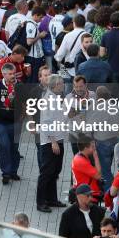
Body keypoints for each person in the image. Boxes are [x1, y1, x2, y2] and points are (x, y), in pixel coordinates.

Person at [36, 74, 67, 213]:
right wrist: (53, 141)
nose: (63, 85)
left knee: (55, 171)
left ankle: (52, 199)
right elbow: (47, 122)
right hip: (50, 141)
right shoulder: (49, 99)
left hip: (58, 139)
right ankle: (41, 202)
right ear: (55, 86)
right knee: (46, 172)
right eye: (61, 83)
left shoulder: (56, 97)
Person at [55, 14, 87, 80]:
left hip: (71, 70)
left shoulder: (68, 36)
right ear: (84, 23)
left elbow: (60, 54)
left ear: (74, 23)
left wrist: (58, 59)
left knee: (68, 89)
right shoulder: (89, 35)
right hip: (85, 69)